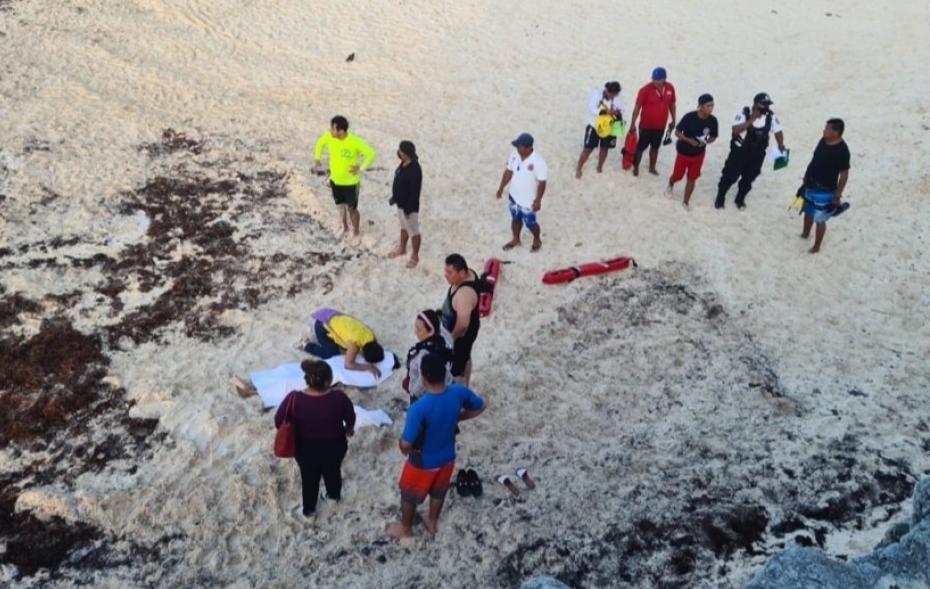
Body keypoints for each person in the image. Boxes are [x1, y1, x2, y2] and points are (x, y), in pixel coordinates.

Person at [386, 353, 486, 539]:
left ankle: (406, 529)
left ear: (423, 379)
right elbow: (480, 406)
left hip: (422, 462)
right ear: (445, 373)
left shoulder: (419, 408)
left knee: (409, 495)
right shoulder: (459, 391)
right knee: (439, 492)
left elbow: (406, 444)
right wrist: (459, 417)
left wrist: (401, 444)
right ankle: (432, 522)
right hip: (447, 458)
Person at [274, 360, 356, 517]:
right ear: (328, 381)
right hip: (335, 446)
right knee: (333, 472)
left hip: (305, 450)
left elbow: (279, 421)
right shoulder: (339, 397)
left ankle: (309, 511)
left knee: (309, 480)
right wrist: (349, 429)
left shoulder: (294, 398)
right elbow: (350, 418)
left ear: (307, 379)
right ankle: (333, 497)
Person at [715, 93, 787, 210]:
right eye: (763, 105)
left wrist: (780, 144)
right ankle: (720, 196)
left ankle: (740, 198)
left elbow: (778, 131)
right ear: (755, 104)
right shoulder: (744, 113)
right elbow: (735, 131)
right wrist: (752, 119)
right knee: (730, 176)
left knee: (749, 178)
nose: (766, 107)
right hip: (740, 152)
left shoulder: (771, 117)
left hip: (757, 154)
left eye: (767, 105)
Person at [312, 115, 376, 236]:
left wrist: (360, 168)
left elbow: (371, 154)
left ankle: (356, 231)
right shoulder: (329, 136)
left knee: (352, 208)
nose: (330, 131)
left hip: (351, 183)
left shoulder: (354, 141)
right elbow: (320, 143)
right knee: (340, 207)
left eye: (333, 129)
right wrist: (317, 158)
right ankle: (345, 227)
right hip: (335, 180)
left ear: (341, 131)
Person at [800, 118, 851, 253]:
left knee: (820, 219)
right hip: (810, 184)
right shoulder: (823, 140)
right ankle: (805, 234)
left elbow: (844, 175)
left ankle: (816, 246)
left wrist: (837, 195)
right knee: (808, 211)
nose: (824, 130)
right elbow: (814, 159)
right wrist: (806, 175)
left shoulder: (842, 151)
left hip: (825, 191)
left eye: (828, 128)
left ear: (836, 132)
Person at [495, 133, 548, 252]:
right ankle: (516, 239)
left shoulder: (538, 162)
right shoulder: (514, 155)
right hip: (514, 196)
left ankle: (537, 239)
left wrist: (538, 200)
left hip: (528, 201)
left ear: (529, 148)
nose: (517, 148)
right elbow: (508, 172)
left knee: (531, 223)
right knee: (515, 219)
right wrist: (501, 188)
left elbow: (542, 183)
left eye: (520, 146)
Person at [667, 94, 719, 208]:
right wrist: (689, 140)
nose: (711, 108)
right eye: (708, 106)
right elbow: (677, 132)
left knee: (692, 178)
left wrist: (706, 142)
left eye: (712, 105)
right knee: (678, 176)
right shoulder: (689, 117)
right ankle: (671, 183)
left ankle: (686, 202)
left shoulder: (713, 120)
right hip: (683, 153)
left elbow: (714, 136)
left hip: (698, 154)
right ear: (700, 106)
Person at [304, 309, 385, 378]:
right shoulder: (354, 346)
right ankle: (306, 345)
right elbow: (348, 365)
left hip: (332, 314)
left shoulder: (371, 335)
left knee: (345, 348)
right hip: (322, 323)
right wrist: (369, 367)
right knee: (332, 355)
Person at [628, 67, 677, 177]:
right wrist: (632, 124)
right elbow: (637, 107)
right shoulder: (645, 90)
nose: (655, 81)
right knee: (640, 147)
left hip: (661, 126)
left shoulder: (670, 88)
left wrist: (674, 120)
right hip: (646, 126)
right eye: (654, 79)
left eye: (658, 79)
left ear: (664, 79)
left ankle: (652, 167)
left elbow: (672, 104)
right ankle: (636, 167)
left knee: (655, 147)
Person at [440, 254, 480, 386]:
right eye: (446, 271)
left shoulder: (464, 294)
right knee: (466, 358)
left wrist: (450, 340)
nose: (445, 275)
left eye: (449, 272)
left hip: (461, 337)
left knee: (457, 369)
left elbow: (462, 326)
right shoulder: (470, 273)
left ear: (462, 273)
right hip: (470, 326)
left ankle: (461, 391)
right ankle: (465, 385)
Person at [575, 81, 624, 178]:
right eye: (612, 94)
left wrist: (617, 112)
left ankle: (599, 166)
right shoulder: (596, 95)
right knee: (588, 149)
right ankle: (579, 168)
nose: (613, 96)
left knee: (605, 148)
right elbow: (592, 109)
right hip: (594, 126)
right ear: (607, 91)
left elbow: (622, 109)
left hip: (609, 126)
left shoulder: (618, 98)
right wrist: (605, 111)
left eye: (615, 94)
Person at [403, 309, 453, 405]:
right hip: (444, 387)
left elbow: (422, 382)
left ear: (431, 331)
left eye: (419, 329)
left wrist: (412, 391)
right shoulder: (445, 339)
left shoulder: (424, 355)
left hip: (424, 397)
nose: (415, 332)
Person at [388, 140, 423, 268]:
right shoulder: (403, 163)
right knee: (403, 228)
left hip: (409, 207)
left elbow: (415, 192)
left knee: (413, 231)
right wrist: (395, 197)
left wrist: (408, 209)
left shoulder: (415, 170)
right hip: (400, 204)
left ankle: (415, 256)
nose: (398, 153)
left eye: (401, 151)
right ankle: (402, 248)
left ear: (407, 154)